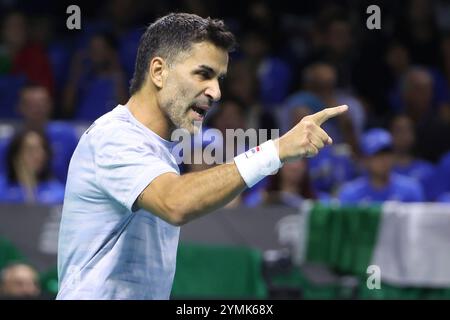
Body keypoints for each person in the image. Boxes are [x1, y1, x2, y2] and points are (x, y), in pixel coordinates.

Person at [56, 13, 348, 300]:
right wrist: (276, 150)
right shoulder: (114, 136)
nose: (217, 92)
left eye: (219, 79)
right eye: (204, 74)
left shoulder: (161, 152)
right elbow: (175, 202)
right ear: (158, 71)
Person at [338, 128, 425, 205]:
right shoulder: (350, 193)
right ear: (365, 160)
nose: (384, 159)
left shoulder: (410, 189)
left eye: (387, 153)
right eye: (377, 155)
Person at [0, 129, 65, 204]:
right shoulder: (2, 188)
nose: (38, 156)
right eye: (31, 150)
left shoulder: (57, 192)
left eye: (41, 149)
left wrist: (30, 192)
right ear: (15, 156)